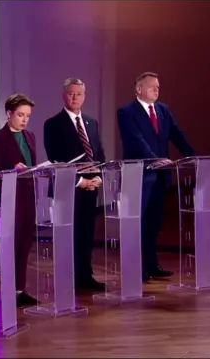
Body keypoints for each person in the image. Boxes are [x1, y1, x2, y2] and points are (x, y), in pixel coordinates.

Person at [117, 71, 195, 281]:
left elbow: (176, 133)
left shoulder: (163, 110)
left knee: (154, 223)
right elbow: (135, 140)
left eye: (158, 86)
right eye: (152, 86)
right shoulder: (126, 112)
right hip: (140, 175)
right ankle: (136, 268)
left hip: (161, 175)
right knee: (138, 223)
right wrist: (153, 159)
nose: (156, 90)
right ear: (139, 89)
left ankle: (152, 265)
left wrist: (192, 155)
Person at [43, 78, 106, 291]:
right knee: (68, 235)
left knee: (87, 234)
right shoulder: (52, 124)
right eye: (71, 93)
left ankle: (85, 277)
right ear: (63, 95)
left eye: (79, 94)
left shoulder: (91, 122)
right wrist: (81, 181)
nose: (75, 97)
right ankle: (67, 280)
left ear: (84, 97)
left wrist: (99, 177)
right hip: (68, 189)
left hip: (91, 188)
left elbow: (99, 154)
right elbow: (56, 160)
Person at [0, 93, 40, 308]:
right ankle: (9, 290)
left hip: (28, 195)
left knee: (25, 243)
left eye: (27, 115)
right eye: (20, 115)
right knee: (12, 244)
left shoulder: (30, 136)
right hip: (11, 197)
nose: (24, 119)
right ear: (9, 114)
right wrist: (11, 170)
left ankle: (21, 289)